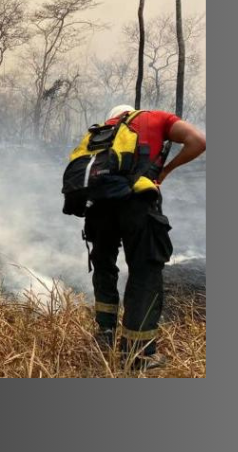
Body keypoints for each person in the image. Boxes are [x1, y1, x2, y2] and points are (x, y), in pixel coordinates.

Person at [85, 104, 205, 370]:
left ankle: (105, 334)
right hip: (136, 204)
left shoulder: (103, 130)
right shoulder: (154, 118)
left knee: (104, 266)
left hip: (99, 207)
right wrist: (165, 170)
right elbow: (198, 141)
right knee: (144, 272)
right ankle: (139, 354)